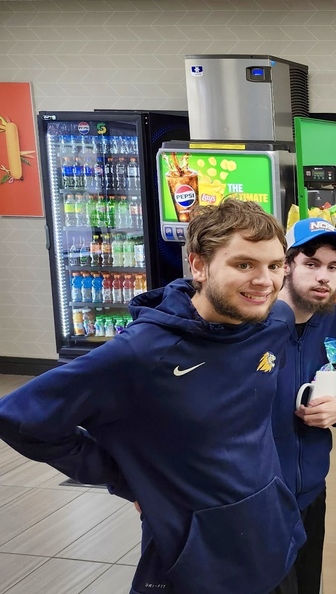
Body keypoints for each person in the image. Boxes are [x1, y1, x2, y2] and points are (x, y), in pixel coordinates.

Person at [0, 199, 305, 594]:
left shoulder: (272, 323)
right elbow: (21, 418)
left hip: (271, 537)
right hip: (195, 558)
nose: (265, 281)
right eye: (244, 264)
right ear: (198, 265)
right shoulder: (142, 353)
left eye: (275, 265)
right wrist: (127, 480)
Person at [271, 217, 336, 594]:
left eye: (333, 267)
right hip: (261, 497)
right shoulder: (254, 322)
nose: (324, 277)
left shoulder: (334, 322)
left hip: (311, 490)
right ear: (287, 264)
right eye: (311, 264)